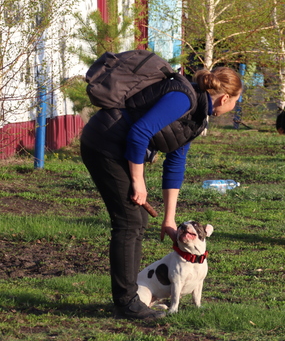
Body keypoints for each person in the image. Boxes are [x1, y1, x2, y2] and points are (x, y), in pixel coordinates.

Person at [81, 63, 242, 320]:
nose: (234, 105)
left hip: (121, 149)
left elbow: (175, 162)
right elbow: (139, 133)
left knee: (137, 220)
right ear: (225, 99)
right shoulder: (183, 98)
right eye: (236, 101)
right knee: (129, 221)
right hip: (104, 144)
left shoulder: (197, 117)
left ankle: (130, 298)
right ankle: (127, 303)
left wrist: (169, 219)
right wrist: (138, 181)